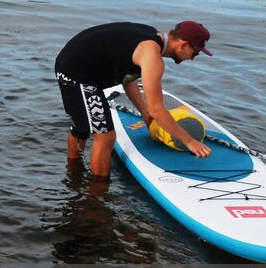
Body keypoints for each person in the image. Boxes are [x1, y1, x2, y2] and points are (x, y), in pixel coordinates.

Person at [55, 21, 213, 177]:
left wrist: (145, 113)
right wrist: (190, 142)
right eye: (196, 52)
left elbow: (128, 78)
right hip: (78, 75)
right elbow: (157, 110)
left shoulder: (150, 38)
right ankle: (97, 192)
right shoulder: (152, 56)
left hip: (74, 65)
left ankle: (74, 173)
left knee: (83, 127)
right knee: (105, 136)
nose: (193, 58)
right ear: (183, 45)